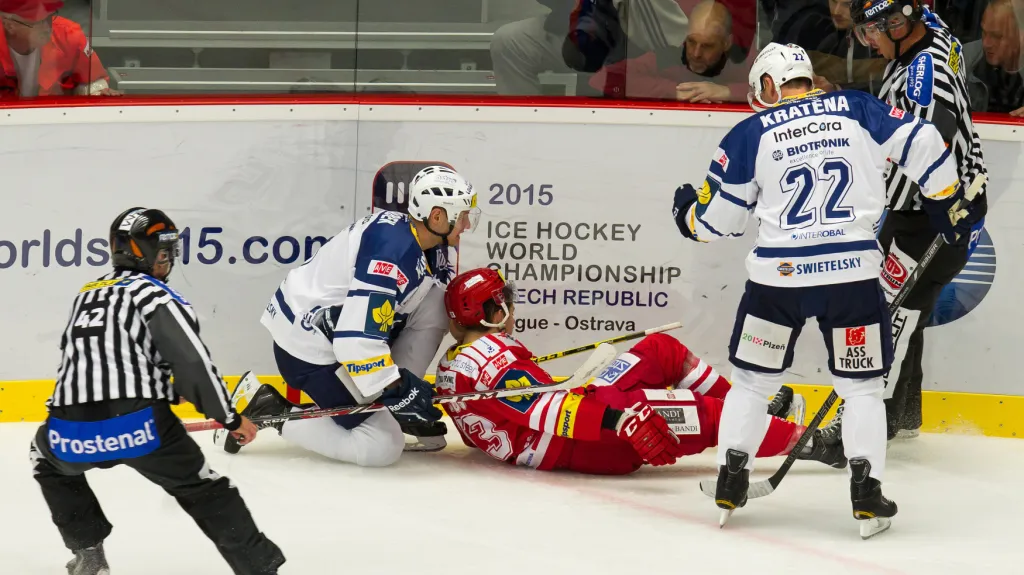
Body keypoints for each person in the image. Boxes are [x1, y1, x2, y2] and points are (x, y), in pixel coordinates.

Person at [671, 42, 970, 538]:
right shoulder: (857, 108)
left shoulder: (749, 133)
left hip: (778, 284)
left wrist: (686, 214)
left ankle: (730, 480)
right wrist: (946, 200)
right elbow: (925, 142)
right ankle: (866, 493)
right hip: (852, 279)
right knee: (862, 389)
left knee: (752, 383)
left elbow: (715, 223)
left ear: (770, 84)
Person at [29, 208, 284, 575]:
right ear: (139, 252)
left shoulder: (86, 294)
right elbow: (193, 365)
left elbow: (95, 361)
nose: (167, 259)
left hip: (69, 432)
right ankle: (260, 568)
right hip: (140, 428)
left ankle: (89, 556)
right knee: (206, 490)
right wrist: (229, 418)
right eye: (162, 251)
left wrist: (163, 387)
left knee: (43, 459)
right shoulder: (157, 296)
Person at [434, 268, 845, 475]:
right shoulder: (488, 358)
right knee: (707, 415)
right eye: (502, 301)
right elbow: (551, 411)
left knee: (659, 350)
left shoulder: (455, 362)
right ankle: (816, 444)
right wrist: (621, 420)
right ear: (490, 312)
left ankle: (756, 411)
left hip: (583, 415)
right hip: (588, 439)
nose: (510, 308)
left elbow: (511, 412)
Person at [227, 166, 478, 466]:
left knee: (435, 302)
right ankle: (268, 409)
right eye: (462, 216)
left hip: (324, 329)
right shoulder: (390, 252)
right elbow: (355, 342)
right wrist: (396, 387)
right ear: (436, 216)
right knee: (382, 445)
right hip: (308, 353)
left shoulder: (424, 241)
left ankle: (391, 408)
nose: (466, 224)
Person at [848, 0, 988, 441]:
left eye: (873, 31)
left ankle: (880, 422)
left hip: (931, 215)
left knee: (889, 315)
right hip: (930, 211)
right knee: (906, 312)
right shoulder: (931, 31)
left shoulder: (923, 76)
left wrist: (940, 209)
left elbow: (933, 147)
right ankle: (904, 415)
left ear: (897, 24)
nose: (869, 42)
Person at [589, 0, 750, 103]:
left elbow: (765, 91)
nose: (696, 53)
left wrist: (727, 92)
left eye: (707, 46)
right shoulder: (668, 58)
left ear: (727, 43)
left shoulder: (742, 63)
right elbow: (602, 79)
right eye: (691, 41)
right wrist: (674, 91)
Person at [0, 0, 120, 97]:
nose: (47, 28)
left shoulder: (69, 36)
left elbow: (93, 82)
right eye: (38, 22)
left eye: (49, 17)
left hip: (54, 116)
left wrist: (97, 91)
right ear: (10, 26)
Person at [964, 0, 1024, 114]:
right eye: (984, 32)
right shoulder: (963, 61)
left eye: (996, 36)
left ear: (1020, 35)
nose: (986, 43)